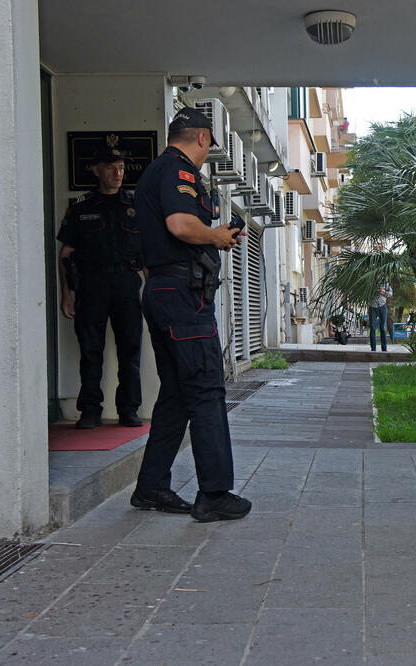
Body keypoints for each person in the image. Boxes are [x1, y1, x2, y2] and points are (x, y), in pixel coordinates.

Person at [130, 106, 252, 522]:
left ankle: (150, 487)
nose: (206, 154)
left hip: (165, 291)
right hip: (184, 297)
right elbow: (181, 225)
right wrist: (217, 236)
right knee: (205, 390)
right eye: (209, 145)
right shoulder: (176, 170)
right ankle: (215, 494)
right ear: (202, 138)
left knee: (177, 394)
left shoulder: (156, 173)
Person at [57, 145, 144, 429]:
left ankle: (129, 409)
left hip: (127, 284)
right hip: (91, 284)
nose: (117, 173)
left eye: (120, 168)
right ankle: (90, 411)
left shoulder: (135, 206)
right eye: (110, 168)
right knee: (90, 350)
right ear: (96, 170)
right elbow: (66, 255)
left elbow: (146, 255)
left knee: (130, 349)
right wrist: (66, 295)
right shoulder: (81, 208)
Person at [368, 279, 392, 351]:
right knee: (372, 328)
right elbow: (364, 292)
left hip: (382, 306)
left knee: (383, 328)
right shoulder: (370, 280)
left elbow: (390, 293)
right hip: (372, 306)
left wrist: (383, 291)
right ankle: (373, 349)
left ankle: (384, 348)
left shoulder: (385, 281)